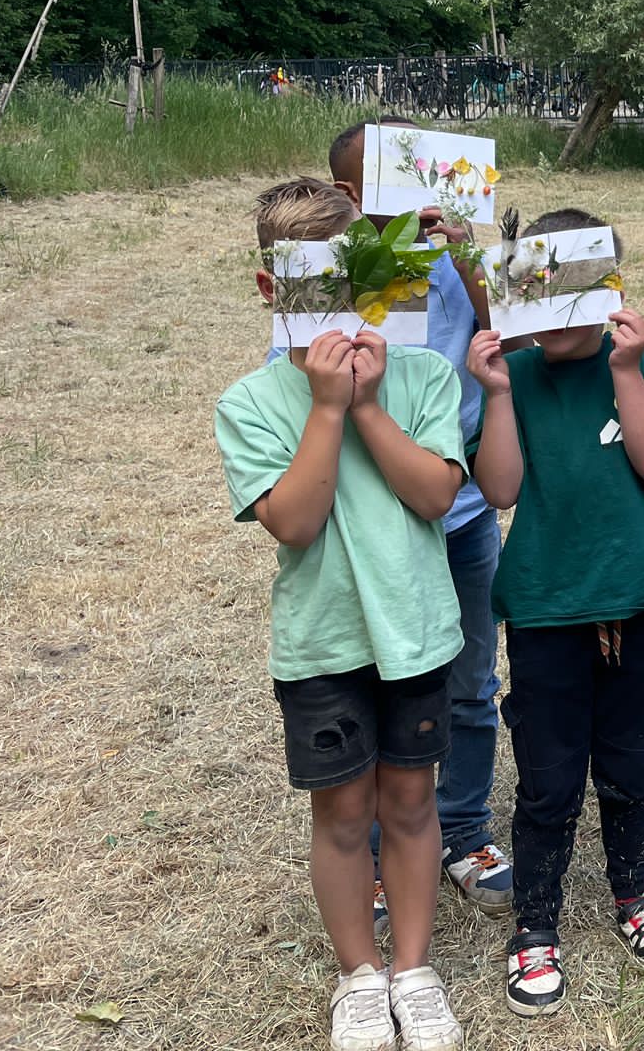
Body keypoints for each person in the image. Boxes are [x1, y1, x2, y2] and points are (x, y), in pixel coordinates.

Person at [216, 179, 467, 1051]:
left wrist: (366, 404)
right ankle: (358, 975)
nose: (338, 313)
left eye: (354, 287)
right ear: (268, 289)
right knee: (340, 812)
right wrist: (327, 408)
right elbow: (293, 521)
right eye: (313, 288)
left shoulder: (425, 373)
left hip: (416, 632)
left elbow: (437, 495)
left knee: (409, 798)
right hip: (323, 642)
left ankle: (412, 967)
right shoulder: (248, 404)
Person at [270, 120, 511, 926]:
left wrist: (468, 251)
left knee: (471, 683)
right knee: (372, 686)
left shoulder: (448, 254)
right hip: (364, 527)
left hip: (460, 506)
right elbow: (296, 377)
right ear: (349, 193)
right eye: (397, 183)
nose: (422, 198)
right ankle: (372, 855)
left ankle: (467, 831)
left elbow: (503, 330)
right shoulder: (322, 277)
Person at [467, 209, 644, 1014]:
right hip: (544, 607)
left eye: (579, 289)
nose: (558, 313)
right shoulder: (515, 378)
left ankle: (634, 893)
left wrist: (628, 371)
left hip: (640, 599)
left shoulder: (643, 359)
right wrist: (495, 390)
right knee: (547, 777)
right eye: (537, 291)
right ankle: (536, 926)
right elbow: (500, 490)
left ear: (610, 291)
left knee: (633, 762)